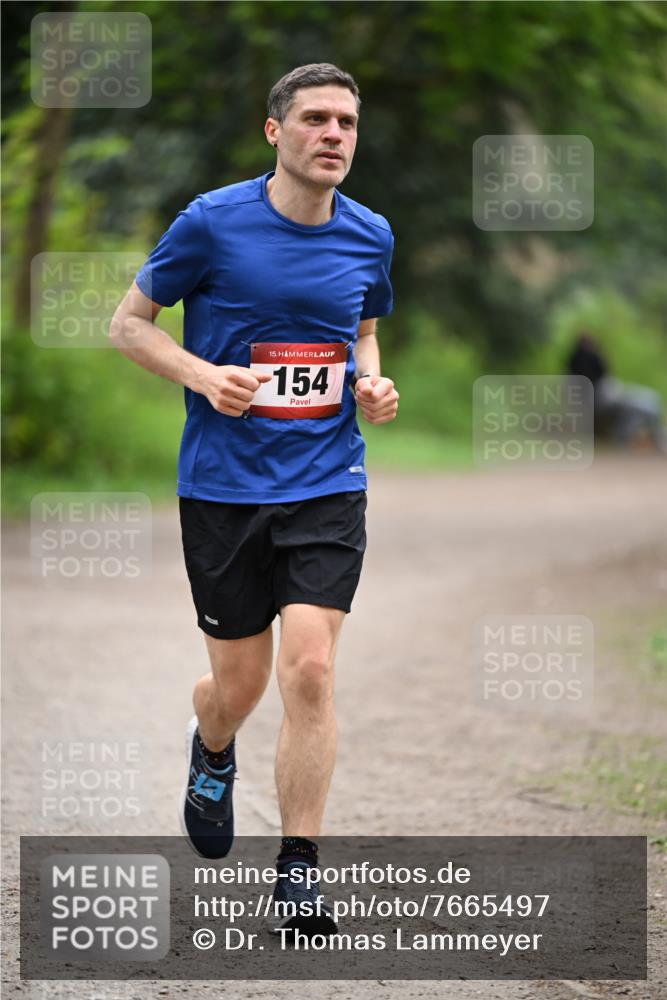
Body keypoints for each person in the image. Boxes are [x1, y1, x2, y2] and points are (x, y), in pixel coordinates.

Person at [110, 62, 398, 934]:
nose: (333, 135)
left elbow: (363, 331)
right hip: (225, 488)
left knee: (308, 667)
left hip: (325, 481)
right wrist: (203, 375)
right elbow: (128, 324)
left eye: (346, 121)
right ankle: (211, 740)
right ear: (275, 132)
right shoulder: (212, 222)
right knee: (236, 685)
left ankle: (300, 871)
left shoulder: (371, 234)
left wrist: (371, 385)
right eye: (315, 119)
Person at [567, 332, 665, 452]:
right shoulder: (585, 359)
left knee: (647, 403)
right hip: (604, 397)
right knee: (645, 404)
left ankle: (644, 439)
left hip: (607, 394)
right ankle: (630, 439)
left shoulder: (578, 361)